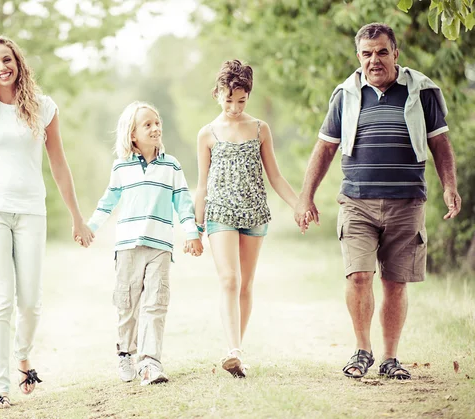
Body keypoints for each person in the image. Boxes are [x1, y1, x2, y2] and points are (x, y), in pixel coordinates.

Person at [294, 22, 461, 380]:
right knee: (358, 275)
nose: (374, 60)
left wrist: (449, 185)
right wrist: (305, 197)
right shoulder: (346, 95)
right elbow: (325, 147)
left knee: (395, 282)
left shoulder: (422, 91)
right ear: (358, 57)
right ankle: (361, 350)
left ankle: (390, 357)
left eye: (382, 52)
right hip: (356, 201)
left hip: (407, 202)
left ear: (395, 53)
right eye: (367, 53)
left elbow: (441, 143)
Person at [0, 36, 94, 408]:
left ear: (18, 62)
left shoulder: (44, 108)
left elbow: (59, 165)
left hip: (31, 211)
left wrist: (77, 217)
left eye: (7, 59)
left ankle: (23, 355)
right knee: (1, 298)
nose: (2, 67)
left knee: (30, 301)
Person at [194, 60, 310, 378]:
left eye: (241, 100)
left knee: (245, 284)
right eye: (228, 99)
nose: (234, 107)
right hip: (220, 214)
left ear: (248, 96)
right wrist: (196, 227)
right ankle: (233, 350)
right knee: (228, 280)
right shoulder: (207, 134)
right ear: (217, 94)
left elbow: (274, 175)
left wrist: (299, 204)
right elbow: (202, 186)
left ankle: (236, 353)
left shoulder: (260, 129)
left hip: (255, 213)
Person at [85, 101, 203, 386]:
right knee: (127, 304)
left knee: (155, 303)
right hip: (127, 246)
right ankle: (125, 351)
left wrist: (192, 232)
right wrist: (90, 227)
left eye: (157, 122)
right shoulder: (121, 167)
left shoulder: (171, 165)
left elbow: (184, 202)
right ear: (132, 134)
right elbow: (108, 201)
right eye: (147, 124)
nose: (155, 128)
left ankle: (150, 363)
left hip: (160, 246)